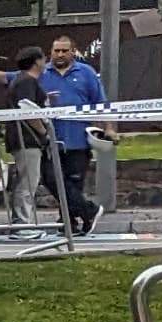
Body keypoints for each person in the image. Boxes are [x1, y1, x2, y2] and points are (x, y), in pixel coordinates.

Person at [37, 32, 110, 233]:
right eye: (56, 51)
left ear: (72, 52)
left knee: (73, 184)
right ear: (50, 52)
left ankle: (70, 224)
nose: (59, 54)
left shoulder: (85, 72)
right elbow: (14, 77)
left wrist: (109, 129)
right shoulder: (42, 73)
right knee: (52, 180)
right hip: (51, 140)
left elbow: (100, 103)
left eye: (64, 50)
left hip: (78, 140)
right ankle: (89, 211)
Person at [0, 51, 41, 228]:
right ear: (38, 62)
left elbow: (3, 77)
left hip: (19, 137)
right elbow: (28, 110)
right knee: (27, 182)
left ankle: (21, 221)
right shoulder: (27, 81)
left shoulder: (18, 79)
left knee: (25, 180)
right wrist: (44, 132)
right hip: (27, 138)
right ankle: (22, 224)